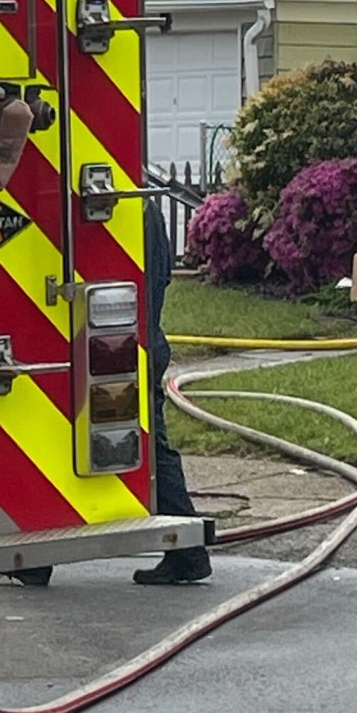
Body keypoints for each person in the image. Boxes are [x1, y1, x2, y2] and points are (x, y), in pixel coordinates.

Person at [133, 198, 214, 585]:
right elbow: (161, 278)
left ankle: (188, 553)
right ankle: (187, 552)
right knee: (152, 444)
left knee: (153, 448)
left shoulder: (137, 210)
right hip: (142, 343)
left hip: (128, 345)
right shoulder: (145, 206)